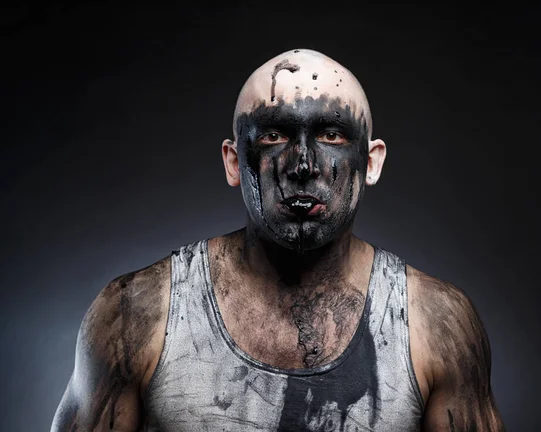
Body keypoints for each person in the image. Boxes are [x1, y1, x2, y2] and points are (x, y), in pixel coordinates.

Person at [51, 49, 505, 431]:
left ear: (371, 161)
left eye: (331, 134)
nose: (303, 164)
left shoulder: (438, 325)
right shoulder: (134, 315)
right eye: (273, 135)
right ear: (234, 161)